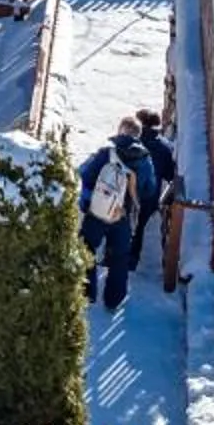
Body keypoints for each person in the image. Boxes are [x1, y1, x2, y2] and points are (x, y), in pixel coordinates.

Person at [75, 120, 159, 312]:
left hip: (97, 212)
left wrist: (86, 202)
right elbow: (149, 190)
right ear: (137, 135)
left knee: (86, 247)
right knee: (119, 258)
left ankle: (86, 293)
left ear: (121, 132)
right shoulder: (146, 160)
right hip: (123, 216)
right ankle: (114, 300)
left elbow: (86, 176)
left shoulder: (106, 153)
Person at [132, 106, 182, 273]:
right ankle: (133, 258)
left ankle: (116, 255)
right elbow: (169, 174)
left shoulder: (133, 140)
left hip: (129, 191)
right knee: (139, 227)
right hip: (150, 195)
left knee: (123, 224)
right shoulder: (164, 147)